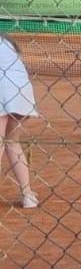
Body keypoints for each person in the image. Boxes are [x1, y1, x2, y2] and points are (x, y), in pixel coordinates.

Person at [0, 35, 40, 209]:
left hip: (3, 89)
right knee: (12, 142)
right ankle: (27, 195)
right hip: (22, 91)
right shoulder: (7, 42)